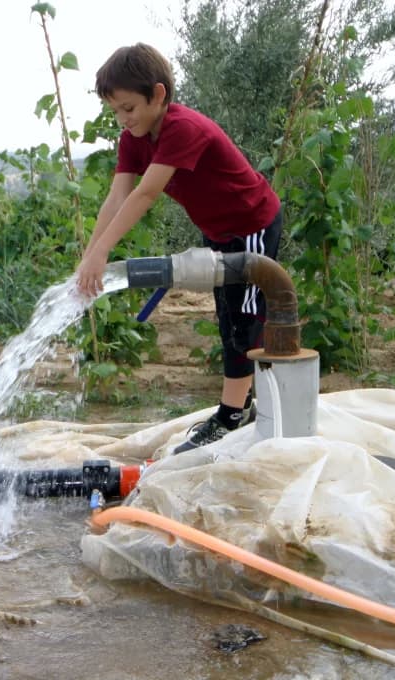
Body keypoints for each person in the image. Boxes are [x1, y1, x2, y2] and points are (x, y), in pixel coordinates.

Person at [75, 43, 283, 453]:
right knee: (227, 314)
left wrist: (103, 253)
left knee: (244, 320)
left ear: (158, 94)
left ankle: (230, 416)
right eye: (115, 111)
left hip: (253, 224)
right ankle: (245, 406)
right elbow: (117, 197)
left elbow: (145, 194)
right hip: (219, 232)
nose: (123, 119)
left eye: (129, 108)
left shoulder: (182, 128)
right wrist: (91, 254)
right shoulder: (134, 138)